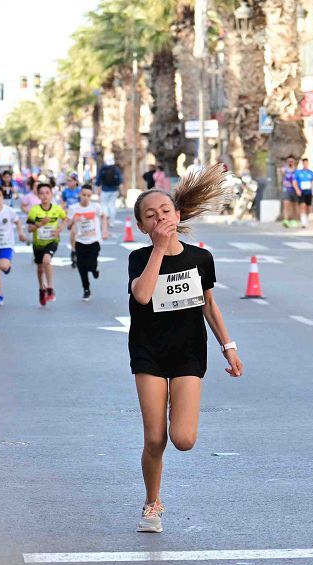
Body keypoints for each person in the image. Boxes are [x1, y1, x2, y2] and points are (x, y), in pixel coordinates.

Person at [128, 165, 243, 533]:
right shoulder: (138, 259)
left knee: (183, 439)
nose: (159, 217)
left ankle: (181, 401)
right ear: (142, 227)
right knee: (154, 437)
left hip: (188, 353)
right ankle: (152, 503)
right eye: (150, 215)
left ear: (177, 215)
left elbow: (209, 304)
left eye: (165, 211)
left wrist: (229, 346)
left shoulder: (200, 258)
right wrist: (159, 250)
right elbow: (143, 294)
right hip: (149, 353)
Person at [65, 183, 110, 301]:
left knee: (91, 265)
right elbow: (68, 227)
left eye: (88, 196)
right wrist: (73, 221)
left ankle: (95, 269)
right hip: (80, 241)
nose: (86, 198)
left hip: (94, 241)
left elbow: (104, 216)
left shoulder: (95, 207)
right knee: (82, 267)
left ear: (91, 196)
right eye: (84, 195)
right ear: (80, 194)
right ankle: (86, 289)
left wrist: (105, 230)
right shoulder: (73, 208)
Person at [26, 182, 67, 306]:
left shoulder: (57, 209)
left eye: (47, 193)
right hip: (38, 243)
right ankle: (41, 289)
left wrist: (60, 228)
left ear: (51, 194)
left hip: (52, 241)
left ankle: (50, 288)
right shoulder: (34, 210)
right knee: (40, 268)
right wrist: (40, 224)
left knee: (46, 260)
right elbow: (29, 229)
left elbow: (65, 218)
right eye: (42, 193)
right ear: (38, 195)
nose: (45, 196)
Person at [97, 156, 123, 225]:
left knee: (104, 205)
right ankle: (111, 222)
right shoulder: (116, 169)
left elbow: (98, 180)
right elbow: (120, 181)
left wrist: (98, 189)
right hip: (114, 190)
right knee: (112, 205)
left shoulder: (102, 169)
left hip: (104, 190)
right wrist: (120, 190)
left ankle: (106, 218)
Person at [293, 157, 313, 229]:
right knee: (302, 206)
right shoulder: (298, 173)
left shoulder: (311, 173)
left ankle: (307, 218)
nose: (305, 164)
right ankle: (303, 221)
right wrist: (297, 190)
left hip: (309, 192)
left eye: (306, 163)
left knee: (308, 207)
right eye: (304, 163)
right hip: (302, 191)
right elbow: (294, 182)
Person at [281, 155, 298, 228]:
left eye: (292, 161)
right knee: (286, 205)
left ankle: (294, 220)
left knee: (294, 206)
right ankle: (286, 220)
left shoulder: (296, 170)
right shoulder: (284, 170)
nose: (290, 162)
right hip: (286, 189)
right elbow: (281, 178)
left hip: (294, 189)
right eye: (289, 161)